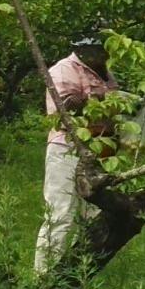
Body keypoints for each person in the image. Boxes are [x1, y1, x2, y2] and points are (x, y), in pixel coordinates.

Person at [33, 33, 119, 274]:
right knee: (61, 213)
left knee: (92, 215)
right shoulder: (63, 70)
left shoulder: (105, 73)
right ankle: (44, 275)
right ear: (86, 51)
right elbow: (65, 108)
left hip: (101, 150)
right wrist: (101, 98)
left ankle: (77, 273)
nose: (106, 55)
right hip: (68, 149)